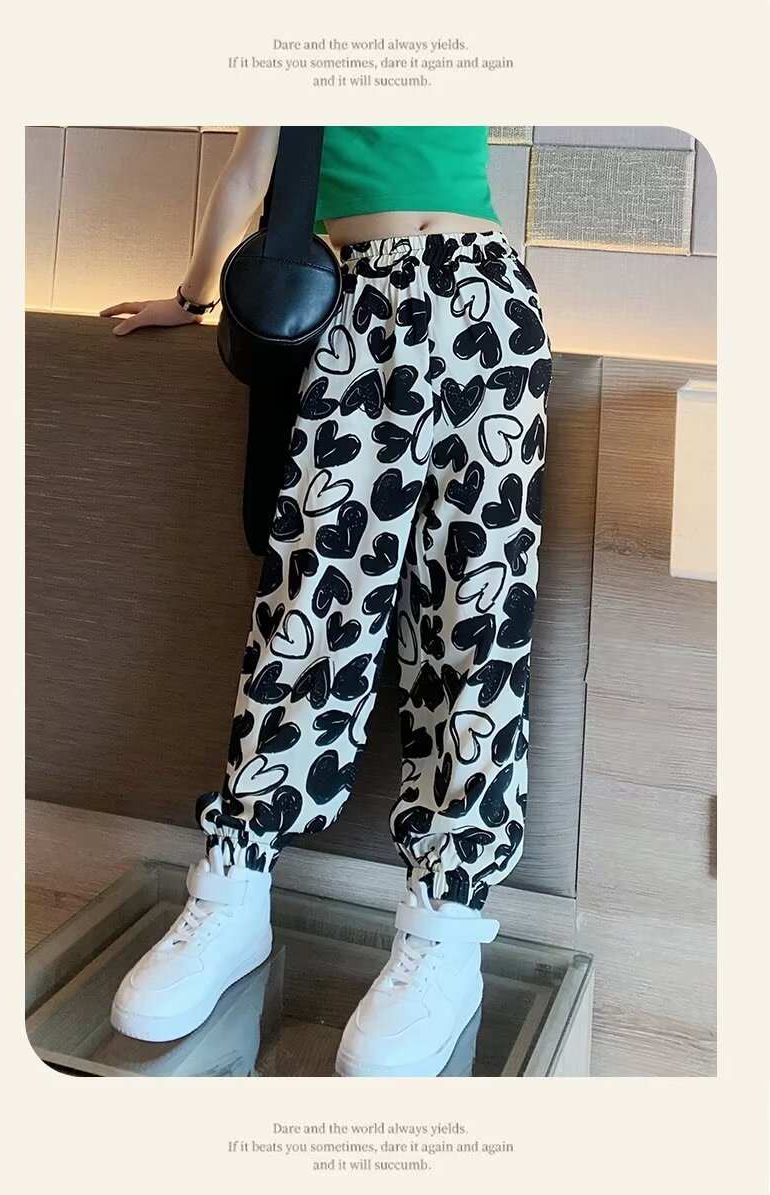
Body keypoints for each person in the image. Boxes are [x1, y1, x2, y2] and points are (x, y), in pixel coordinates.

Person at [100, 126, 553, 1077]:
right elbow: (250, 171)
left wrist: (194, 294)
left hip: (492, 302)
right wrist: (195, 299)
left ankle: (448, 923)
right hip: (358, 306)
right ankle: (236, 886)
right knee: (314, 600)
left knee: (478, 614)